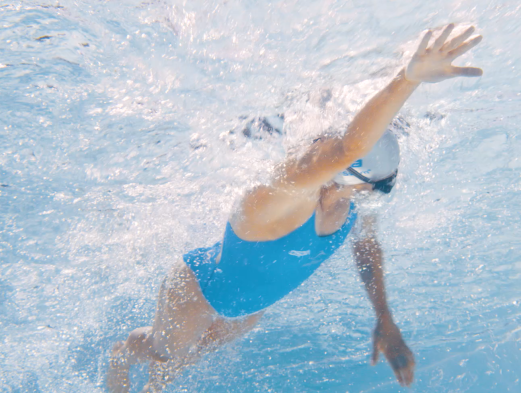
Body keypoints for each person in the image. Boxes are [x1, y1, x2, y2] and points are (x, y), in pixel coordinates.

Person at [107, 23, 483, 392]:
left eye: (376, 191)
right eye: (366, 187)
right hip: (198, 290)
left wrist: (385, 319)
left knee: (188, 359)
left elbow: (367, 248)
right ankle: (121, 356)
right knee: (165, 353)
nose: (366, 198)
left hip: (249, 306)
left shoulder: (353, 202)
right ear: (342, 174)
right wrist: (409, 79)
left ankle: (156, 385)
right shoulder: (284, 195)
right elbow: (346, 149)